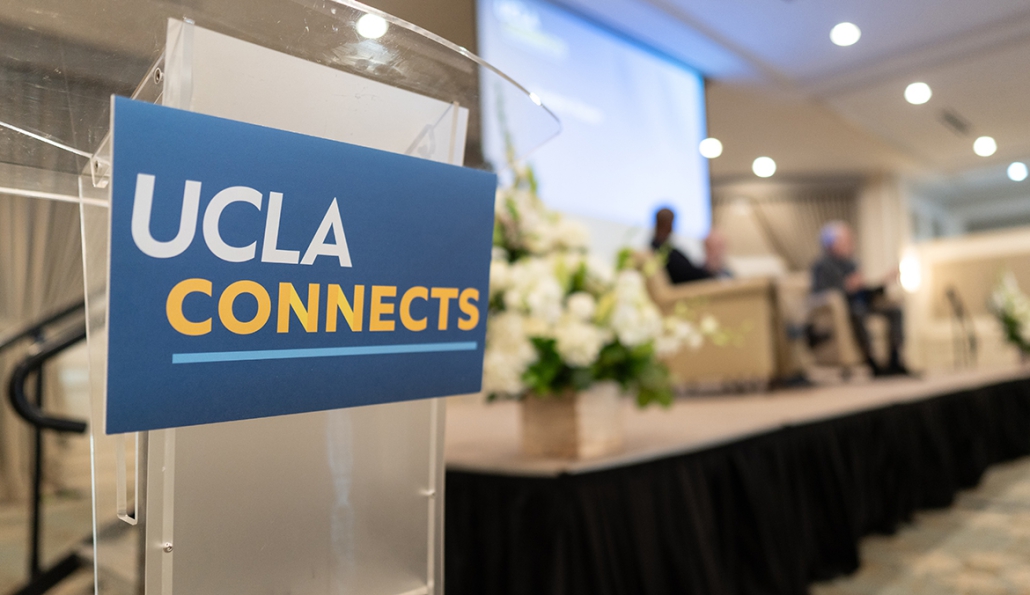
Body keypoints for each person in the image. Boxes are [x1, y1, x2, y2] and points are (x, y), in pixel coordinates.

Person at [811, 221, 908, 376]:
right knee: (858, 312)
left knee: (894, 310)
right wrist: (846, 287)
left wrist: (884, 282)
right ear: (831, 243)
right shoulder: (822, 266)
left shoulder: (851, 264)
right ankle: (872, 363)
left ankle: (895, 360)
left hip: (862, 303)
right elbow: (820, 294)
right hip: (845, 309)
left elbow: (862, 291)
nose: (851, 244)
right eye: (846, 240)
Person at [651, 208, 729, 283]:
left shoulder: (661, 248)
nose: (672, 228)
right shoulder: (665, 252)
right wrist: (709, 270)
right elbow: (689, 274)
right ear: (667, 224)